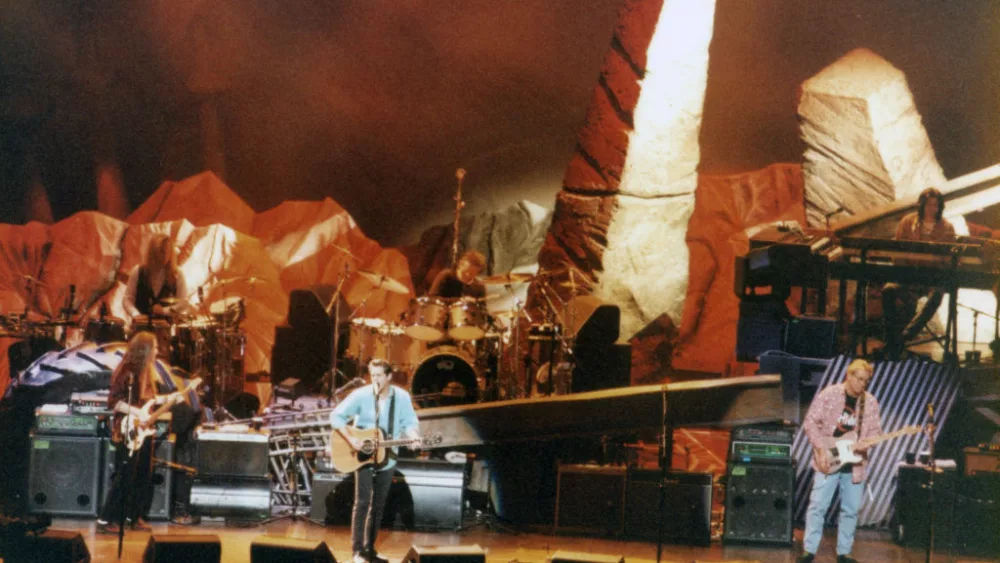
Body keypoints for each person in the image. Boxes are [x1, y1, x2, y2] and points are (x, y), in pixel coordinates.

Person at [329, 358, 421, 563]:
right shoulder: (361, 395)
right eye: (372, 375)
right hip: (362, 456)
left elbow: (409, 422)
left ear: (389, 377)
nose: (375, 379)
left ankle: (369, 548)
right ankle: (357, 551)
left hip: (388, 457)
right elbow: (336, 417)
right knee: (362, 502)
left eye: (380, 375)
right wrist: (351, 439)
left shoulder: (402, 397)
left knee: (378, 506)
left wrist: (413, 435)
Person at [798, 359, 883, 563]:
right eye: (859, 379)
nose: (862, 384)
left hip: (854, 465)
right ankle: (809, 551)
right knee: (817, 506)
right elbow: (810, 422)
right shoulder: (830, 394)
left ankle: (844, 552)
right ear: (849, 376)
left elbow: (876, 432)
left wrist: (866, 444)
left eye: (866, 381)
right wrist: (820, 449)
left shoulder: (870, 402)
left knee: (850, 510)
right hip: (828, 460)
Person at [96, 332, 182, 534]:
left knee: (143, 475)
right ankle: (107, 519)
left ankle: (134, 517)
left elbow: (148, 400)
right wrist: (137, 413)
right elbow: (114, 402)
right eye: (154, 347)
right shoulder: (127, 371)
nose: (157, 352)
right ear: (144, 350)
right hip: (128, 428)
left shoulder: (148, 372)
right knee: (125, 475)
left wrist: (170, 399)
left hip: (143, 430)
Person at [881, 187, 956, 360]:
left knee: (936, 295)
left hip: (933, 278)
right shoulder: (908, 222)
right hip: (908, 275)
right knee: (888, 290)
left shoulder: (947, 227)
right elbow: (897, 252)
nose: (932, 208)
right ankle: (893, 337)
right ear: (921, 205)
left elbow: (950, 259)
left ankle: (904, 336)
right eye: (929, 204)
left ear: (940, 207)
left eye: (935, 205)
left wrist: (936, 267)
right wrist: (906, 273)